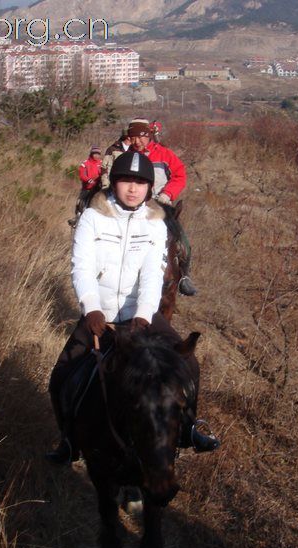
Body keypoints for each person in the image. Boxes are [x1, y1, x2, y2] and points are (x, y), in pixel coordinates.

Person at [45, 151, 220, 465]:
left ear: (149, 188)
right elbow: (81, 267)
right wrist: (92, 308)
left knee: (188, 363)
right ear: (114, 182)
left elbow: (153, 274)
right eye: (127, 180)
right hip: (100, 313)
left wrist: (143, 315)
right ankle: (69, 442)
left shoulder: (156, 224)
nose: (133, 188)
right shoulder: (92, 217)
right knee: (60, 376)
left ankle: (190, 428)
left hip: (140, 314)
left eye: (141, 182)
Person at [126, 118, 197, 296]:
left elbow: (180, 175)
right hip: (132, 206)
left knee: (181, 240)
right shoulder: (126, 155)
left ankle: (184, 277)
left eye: (141, 137)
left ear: (148, 135)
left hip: (161, 205)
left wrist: (167, 194)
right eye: (133, 137)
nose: (137, 141)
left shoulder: (165, 155)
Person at [69, 146, 102, 227]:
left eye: (98, 154)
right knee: (80, 201)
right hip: (88, 188)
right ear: (91, 154)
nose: (97, 155)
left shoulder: (101, 163)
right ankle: (76, 218)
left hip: (99, 188)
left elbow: (104, 173)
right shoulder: (85, 163)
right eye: (95, 153)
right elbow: (82, 175)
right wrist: (88, 180)